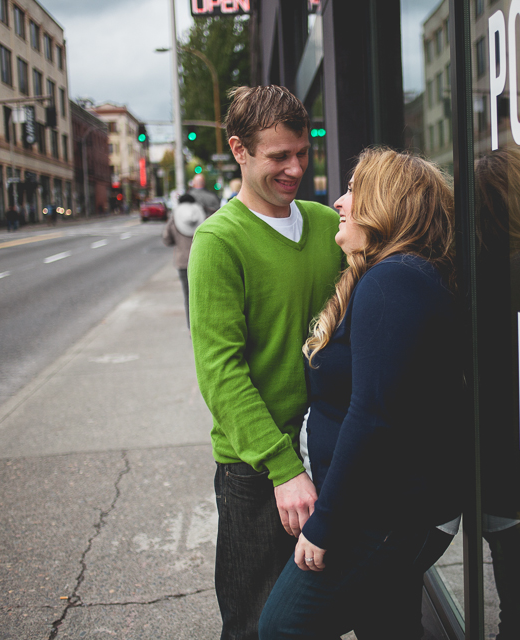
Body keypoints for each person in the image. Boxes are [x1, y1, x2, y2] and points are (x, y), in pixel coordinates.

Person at [259, 148, 463, 639]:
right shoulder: (388, 276)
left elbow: (373, 416)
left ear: (386, 204)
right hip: (380, 505)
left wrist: (326, 523)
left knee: (282, 626)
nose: (339, 202)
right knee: (389, 628)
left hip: (384, 513)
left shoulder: (395, 281)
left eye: (353, 190)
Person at [187, 85, 343, 640]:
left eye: (303, 152)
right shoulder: (219, 242)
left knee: (315, 623)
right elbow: (221, 373)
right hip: (257, 473)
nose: (295, 168)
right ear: (239, 150)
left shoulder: (330, 227)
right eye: (279, 156)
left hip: (326, 457)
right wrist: (284, 470)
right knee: (255, 624)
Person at [162, 194, 206, 328]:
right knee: (203, 296)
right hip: (202, 261)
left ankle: (191, 329)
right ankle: (204, 326)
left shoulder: (174, 219)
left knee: (188, 297)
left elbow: (166, 240)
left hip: (183, 262)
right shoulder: (203, 217)